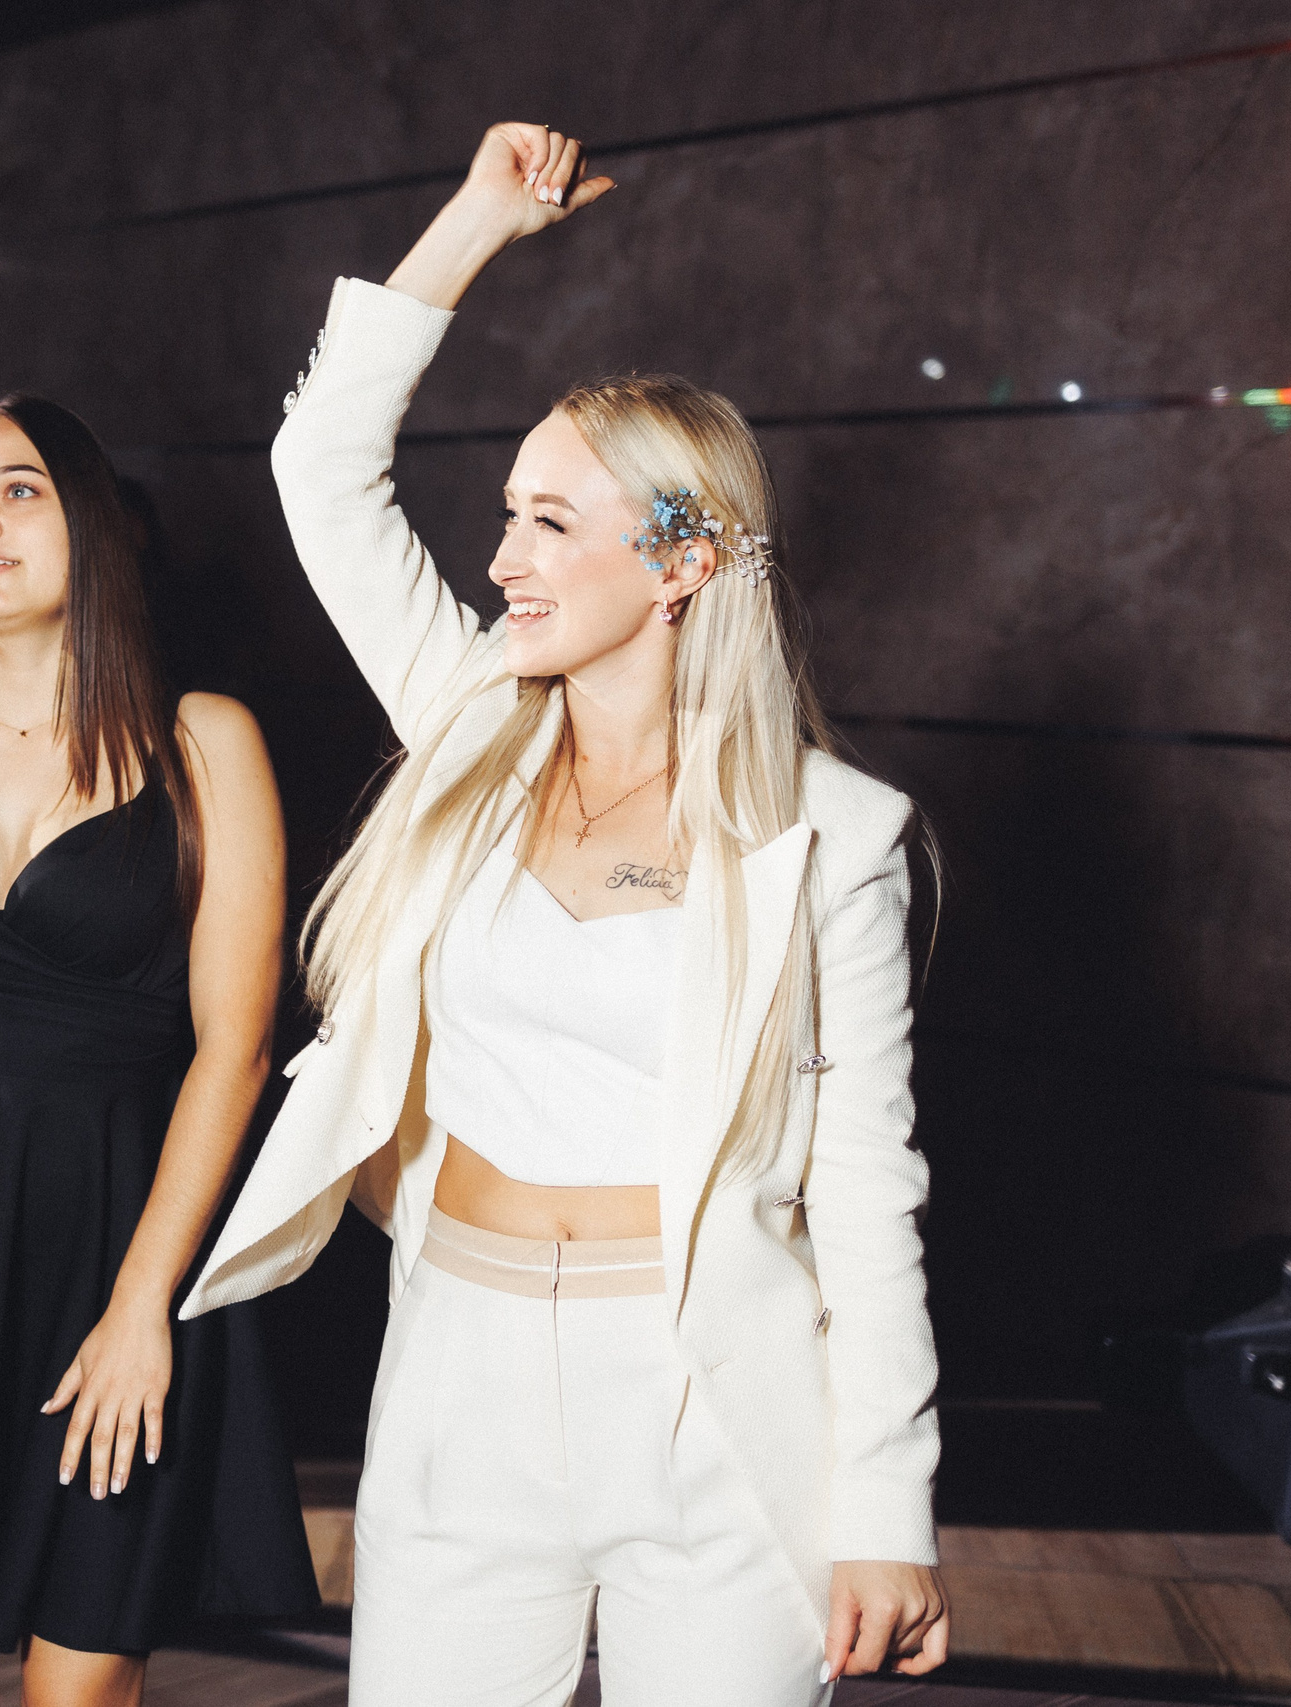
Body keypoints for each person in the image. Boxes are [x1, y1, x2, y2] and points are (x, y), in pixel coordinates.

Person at [181, 123, 950, 1706]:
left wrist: (887, 1511)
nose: (500, 557)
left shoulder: (833, 839)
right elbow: (322, 469)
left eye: (548, 521)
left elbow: (868, 1187)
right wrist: (473, 226)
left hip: (713, 1411)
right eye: (508, 512)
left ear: (679, 562)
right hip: (457, 1376)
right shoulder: (466, 720)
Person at [0, 395, 319, 1706]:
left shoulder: (203, 741)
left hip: (119, 1245)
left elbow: (235, 1049)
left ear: (91, 517)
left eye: (17, 489)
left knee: (80, 1683)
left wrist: (144, 1305)